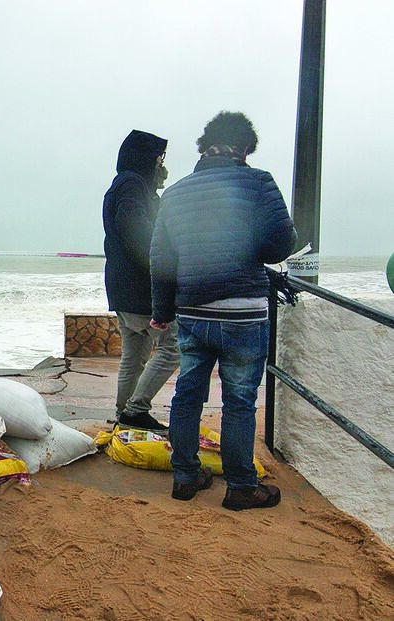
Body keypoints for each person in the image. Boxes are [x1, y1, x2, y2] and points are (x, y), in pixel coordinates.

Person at [150, 111, 297, 510]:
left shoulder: (176, 193)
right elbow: (280, 246)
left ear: (204, 147)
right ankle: (240, 486)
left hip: (193, 312)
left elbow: (161, 259)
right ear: (246, 148)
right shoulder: (258, 183)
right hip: (243, 315)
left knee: (187, 395)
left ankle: (185, 476)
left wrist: (161, 311)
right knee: (238, 401)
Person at [102, 129, 180, 433]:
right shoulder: (133, 185)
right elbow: (138, 234)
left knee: (134, 355)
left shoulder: (124, 185)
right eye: (160, 157)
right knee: (173, 347)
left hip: (122, 288)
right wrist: (164, 271)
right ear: (148, 157)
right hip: (141, 288)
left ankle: (123, 413)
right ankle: (136, 410)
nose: (162, 163)